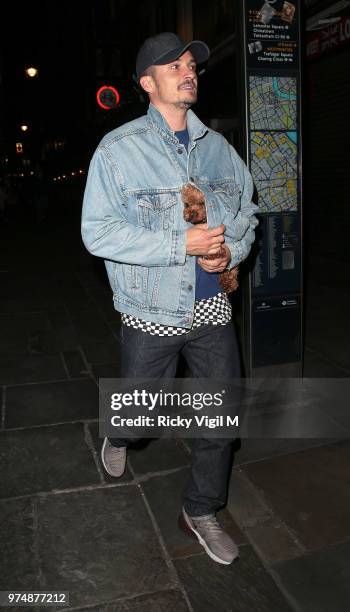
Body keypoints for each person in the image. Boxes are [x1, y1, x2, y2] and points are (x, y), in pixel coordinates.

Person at [81, 32, 259, 565]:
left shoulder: (219, 149)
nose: (189, 72)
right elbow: (97, 232)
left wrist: (230, 253)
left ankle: (200, 509)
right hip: (150, 312)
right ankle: (118, 433)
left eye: (191, 65)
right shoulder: (118, 150)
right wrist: (179, 243)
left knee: (221, 418)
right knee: (138, 420)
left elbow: (247, 212)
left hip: (211, 311)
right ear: (147, 82)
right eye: (174, 65)